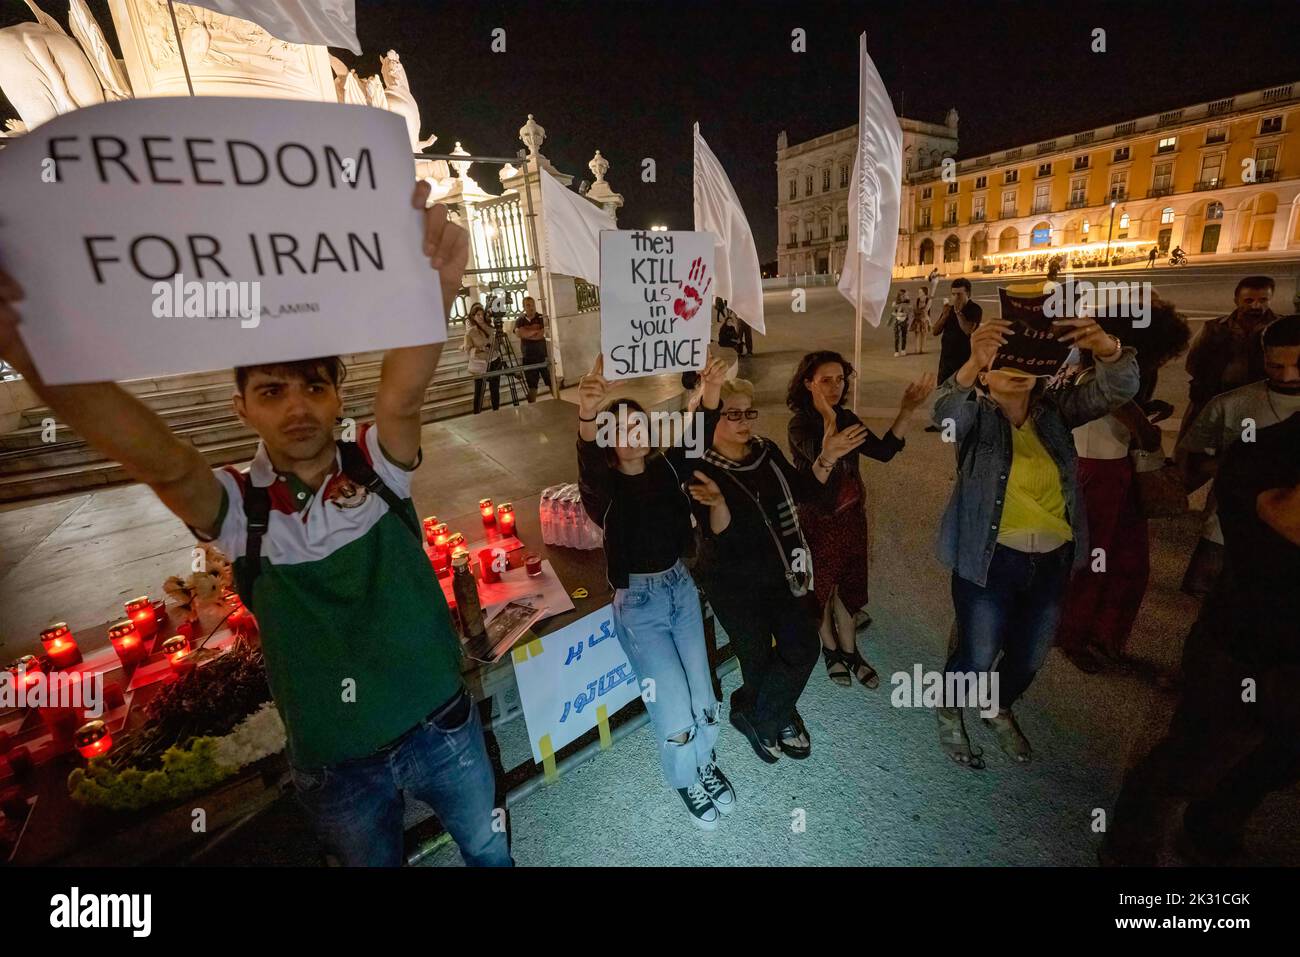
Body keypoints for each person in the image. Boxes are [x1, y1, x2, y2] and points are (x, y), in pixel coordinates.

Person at [0, 184, 512, 867]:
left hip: (443, 726)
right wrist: (43, 356)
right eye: (272, 390)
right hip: (337, 768)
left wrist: (432, 294)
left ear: (337, 397)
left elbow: (405, 390)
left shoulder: (376, 462)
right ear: (241, 406)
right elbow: (162, 459)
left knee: (489, 851)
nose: (296, 406)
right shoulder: (240, 509)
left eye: (313, 386)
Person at [931, 313, 1139, 767]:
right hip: (990, 561)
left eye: (1024, 363)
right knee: (978, 652)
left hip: (1052, 561)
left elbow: (1117, 389)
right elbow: (944, 413)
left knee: (1029, 655)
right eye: (1002, 363)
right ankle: (949, 706)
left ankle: (996, 706)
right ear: (987, 376)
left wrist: (1106, 348)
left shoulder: (1055, 413)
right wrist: (970, 363)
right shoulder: (975, 420)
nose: (1018, 371)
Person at [1102, 410, 1300, 865]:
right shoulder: (1263, 450)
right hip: (1247, 645)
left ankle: (1211, 828)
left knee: (1279, 757)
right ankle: (1127, 847)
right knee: (1194, 758)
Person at [576, 354, 734, 829]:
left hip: (680, 589)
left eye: (638, 424)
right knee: (669, 701)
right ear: (607, 441)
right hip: (639, 606)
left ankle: (706, 762)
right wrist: (587, 413)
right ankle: (687, 778)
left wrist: (710, 389)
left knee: (702, 690)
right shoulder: (603, 490)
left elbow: (697, 435)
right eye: (620, 428)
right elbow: (587, 464)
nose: (633, 433)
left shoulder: (666, 469)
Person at [687, 378, 864, 763]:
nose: (744, 421)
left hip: (782, 570)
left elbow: (805, 491)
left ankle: (759, 716)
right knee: (757, 658)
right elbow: (722, 539)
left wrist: (827, 457)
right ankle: (780, 713)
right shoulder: (699, 468)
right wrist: (718, 504)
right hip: (733, 582)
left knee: (803, 646)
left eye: (748, 411)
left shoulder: (764, 452)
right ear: (710, 416)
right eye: (732, 414)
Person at [1056, 302, 1193, 673]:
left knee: (1126, 561)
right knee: (1096, 561)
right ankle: (1076, 634)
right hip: (1098, 473)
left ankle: (1104, 632)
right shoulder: (1099, 378)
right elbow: (1141, 430)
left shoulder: (1120, 375)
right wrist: (1145, 424)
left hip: (1115, 471)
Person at [786, 352, 934, 690]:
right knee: (821, 588)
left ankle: (851, 652)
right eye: (826, 379)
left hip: (852, 517)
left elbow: (883, 451)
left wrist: (907, 409)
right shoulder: (799, 423)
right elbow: (818, 461)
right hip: (819, 518)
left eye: (840, 379)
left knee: (850, 584)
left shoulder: (848, 417)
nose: (836, 386)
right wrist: (826, 416)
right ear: (808, 382)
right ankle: (831, 649)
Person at [1177, 314, 1300, 598]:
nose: (1287, 376)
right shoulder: (1231, 405)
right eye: (1276, 365)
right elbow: (1193, 458)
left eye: (1297, 365)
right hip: (1227, 535)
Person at [926, 277, 982, 431]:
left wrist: (958, 313)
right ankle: (942, 424)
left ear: (968, 294)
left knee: (965, 393)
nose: (956, 298)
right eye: (953, 294)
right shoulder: (948, 310)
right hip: (946, 359)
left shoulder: (974, 309)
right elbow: (935, 331)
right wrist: (944, 315)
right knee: (943, 392)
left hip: (965, 360)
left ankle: (967, 424)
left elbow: (968, 330)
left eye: (959, 294)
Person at [463, 302, 501, 414]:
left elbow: (498, 346)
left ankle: (496, 412)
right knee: (479, 390)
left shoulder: (491, 328)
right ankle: (477, 413)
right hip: (480, 364)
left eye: (482, 314)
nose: (480, 317)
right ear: (473, 317)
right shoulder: (470, 332)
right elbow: (468, 350)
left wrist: (498, 340)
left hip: (494, 361)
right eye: (478, 315)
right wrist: (481, 349)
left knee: (495, 389)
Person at [513, 295, 551, 399]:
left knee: (551, 381)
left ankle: (558, 400)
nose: (531, 307)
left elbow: (541, 335)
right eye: (528, 305)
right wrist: (535, 331)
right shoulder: (520, 320)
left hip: (543, 355)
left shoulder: (541, 318)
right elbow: (519, 334)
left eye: (532, 305)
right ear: (524, 307)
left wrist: (527, 333)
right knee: (532, 386)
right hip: (528, 357)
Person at [910, 285, 933, 355]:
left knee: (924, 334)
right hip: (918, 318)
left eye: (920, 292)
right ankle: (917, 349)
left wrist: (928, 321)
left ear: (924, 293)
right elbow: (914, 308)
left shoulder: (928, 300)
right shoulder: (917, 300)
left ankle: (922, 349)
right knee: (917, 334)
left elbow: (926, 310)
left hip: (924, 319)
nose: (919, 293)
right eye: (919, 292)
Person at [890, 289, 911, 356]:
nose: (903, 296)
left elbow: (909, 311)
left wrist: (905, 313)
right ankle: (896, 351)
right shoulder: (895, 303)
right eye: (902, 295)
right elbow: (893, 312)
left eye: (904, 295)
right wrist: (897, 315)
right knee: (896, 336)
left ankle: (903, 349)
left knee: (904, 335)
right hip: (897, 321)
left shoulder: (907, 303)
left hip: (904, 321)